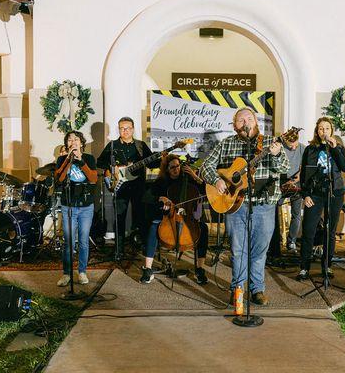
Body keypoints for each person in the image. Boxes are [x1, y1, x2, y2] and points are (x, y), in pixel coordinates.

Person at [200, 107, 289, 306]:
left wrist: (274, 155)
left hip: (264, 205)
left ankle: (257, 290)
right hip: (235, 206)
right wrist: (216, 180)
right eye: (240, 120)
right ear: (234, 125)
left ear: (256, 122)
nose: (245, 122)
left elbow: (284, 167)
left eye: (249, 118)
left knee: (259, 251)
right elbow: (205, 166)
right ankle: (238, 289)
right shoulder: (226, 144)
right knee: (238, 250)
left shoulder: (269, 143)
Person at [140, 154, 209, 285]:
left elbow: (206, 191)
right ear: (167, 169)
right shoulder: (161, 182)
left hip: (188, 218)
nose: (176, 169)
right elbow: (146, 198)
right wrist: (160, 198)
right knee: (154, 227)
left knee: (203, 228)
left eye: (178, 166)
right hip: (169, 217)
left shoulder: (189, 179)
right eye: (172, 168)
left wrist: (196, 178)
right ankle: (148, 269)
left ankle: (200, 268)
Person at [97, 117, 160, 257]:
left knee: (141, 217)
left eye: (127, 128)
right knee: (119, 218)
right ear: (118, 129)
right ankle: (119, 250)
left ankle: (144, 248)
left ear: (132, 129)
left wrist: (162, 157)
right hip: (120, 187)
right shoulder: (112, 145)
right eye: (122, 128)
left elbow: (152, 164)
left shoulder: (140, 146)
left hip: (138, 187)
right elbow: (100, 163)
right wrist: (113, 169)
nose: (124, 131)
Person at [297, 117, 345, 281]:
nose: (324, 131)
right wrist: (305, 194)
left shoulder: (338, 148)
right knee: (309, 230)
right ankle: (304, 268)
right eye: (321, 128)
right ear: (317, 131)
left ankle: (327, 265)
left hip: (334, 193)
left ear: (331, 131)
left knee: (330, 230)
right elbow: (304, 174)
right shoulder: (310, 149)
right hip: (314, 193)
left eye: (327, 128)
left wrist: (335, 149)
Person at [55, 130, 98, 286]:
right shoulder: (62, 160)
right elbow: (59, 179)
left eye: (76, 139)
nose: (73, 141)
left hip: (86, 206)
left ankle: (82, 272)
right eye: (70, 140)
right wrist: (68, 160)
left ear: (81, 142)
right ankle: (67, 274)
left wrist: (81, 161)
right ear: (67, 144)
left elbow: (93, 179)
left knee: (84, 241)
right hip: (69, 206)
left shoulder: (89, 158)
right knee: (69, 242)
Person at [267, 133, 305, 261]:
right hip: (282, 182)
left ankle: (291, 241)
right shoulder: (280, 147)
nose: (293, 148)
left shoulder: (303, 148)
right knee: (273, 211)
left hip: (296, 182)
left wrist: (298, 176)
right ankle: (274, 245)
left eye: (295, 145)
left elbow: (303, 166)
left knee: (296, 214)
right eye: (290, 146)